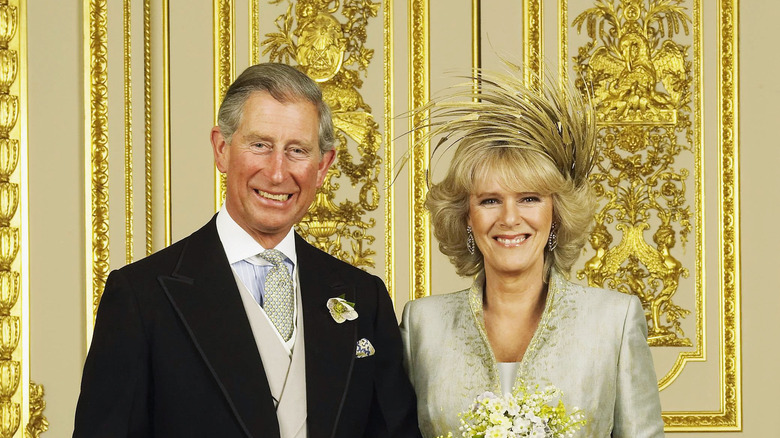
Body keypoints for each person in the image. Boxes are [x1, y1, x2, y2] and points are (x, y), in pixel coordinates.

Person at [74, 63, 420, 438]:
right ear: (221, 149)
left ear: (323, 167)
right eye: (260, 145)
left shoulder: (363, 299)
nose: (276, 172)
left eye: (297, 150)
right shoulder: (141, 297)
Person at [399, 69, 664, 437]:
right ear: (466, 218)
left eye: (529, 199)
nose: (509, 218)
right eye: (490, 200)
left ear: (555, 215)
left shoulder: (613, 321)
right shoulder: (422, 326)